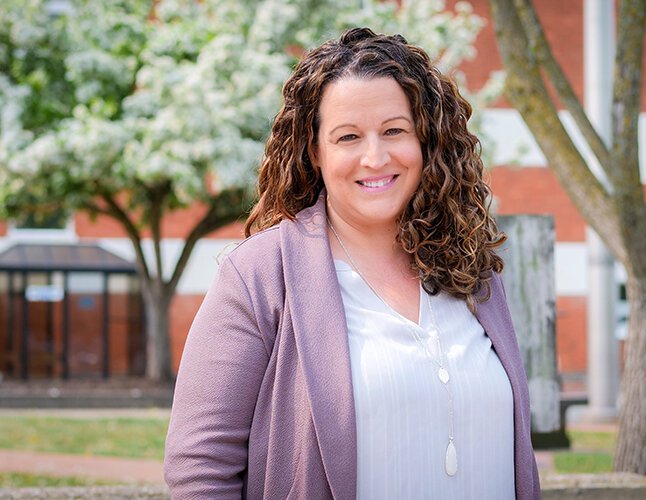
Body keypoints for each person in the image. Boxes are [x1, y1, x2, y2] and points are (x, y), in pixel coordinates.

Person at [164, 27, 541, 499]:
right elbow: (200, 467)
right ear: (315, 152)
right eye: (348, 137)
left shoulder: (471, 269)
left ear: (426, 140)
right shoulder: (261, 275)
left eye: (394, 131)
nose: (375, 157)